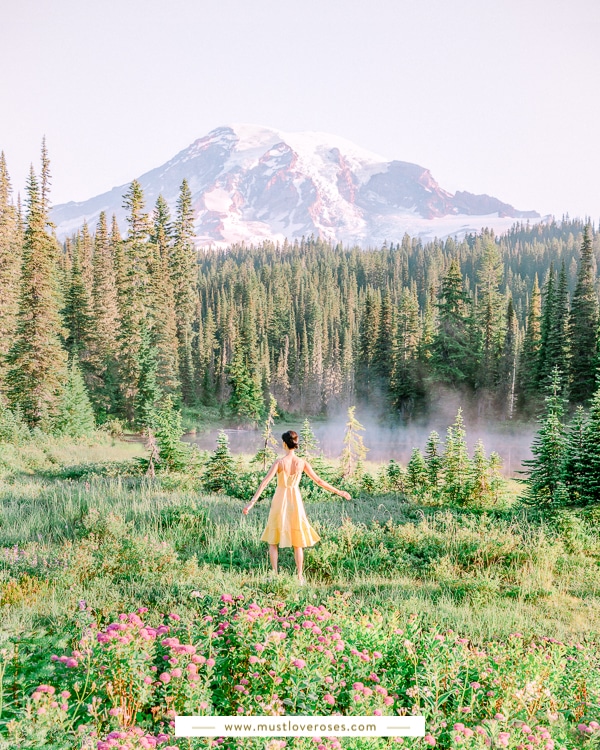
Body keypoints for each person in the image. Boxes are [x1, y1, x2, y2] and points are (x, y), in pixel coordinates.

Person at [242, 429, 351, 584]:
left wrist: (251, 503)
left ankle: (275, 575)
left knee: (273, 540)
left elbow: (264, 482)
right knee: (297, 541)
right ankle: (300, 577)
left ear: (284, 444)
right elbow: (319, 481)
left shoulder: (279, 463)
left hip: (280, 500)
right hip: (295, 501)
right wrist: (339, 492)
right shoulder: (302, 463)